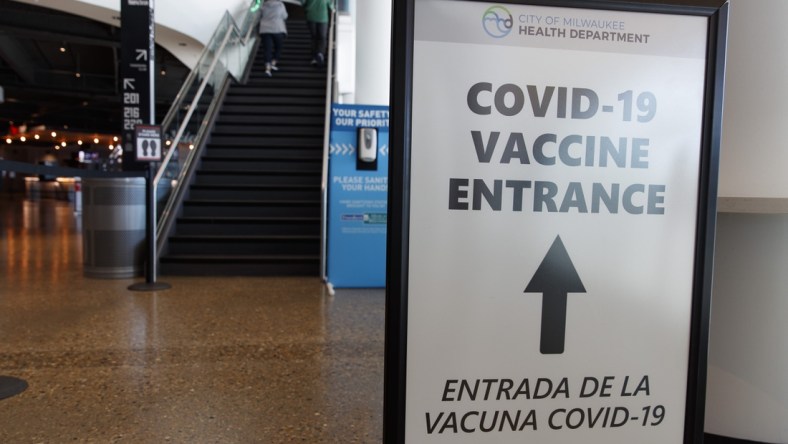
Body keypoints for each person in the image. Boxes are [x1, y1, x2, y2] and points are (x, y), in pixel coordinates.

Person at [259, 0, 288, 77]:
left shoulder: (263, 6)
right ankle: (273, 62)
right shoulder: (280, 5)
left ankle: (267, 69)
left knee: (267, 49)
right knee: (278, 47)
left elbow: (258, 16)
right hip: (277, 29)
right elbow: (285, 16)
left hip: (265, 29)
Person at [301, 0, 333, 66]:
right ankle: (320, 54)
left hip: (310, 16)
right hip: (323, 17)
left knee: (314, 37)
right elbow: (331, 5)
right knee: (322, 37)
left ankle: (314, 56)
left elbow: (302, 2)